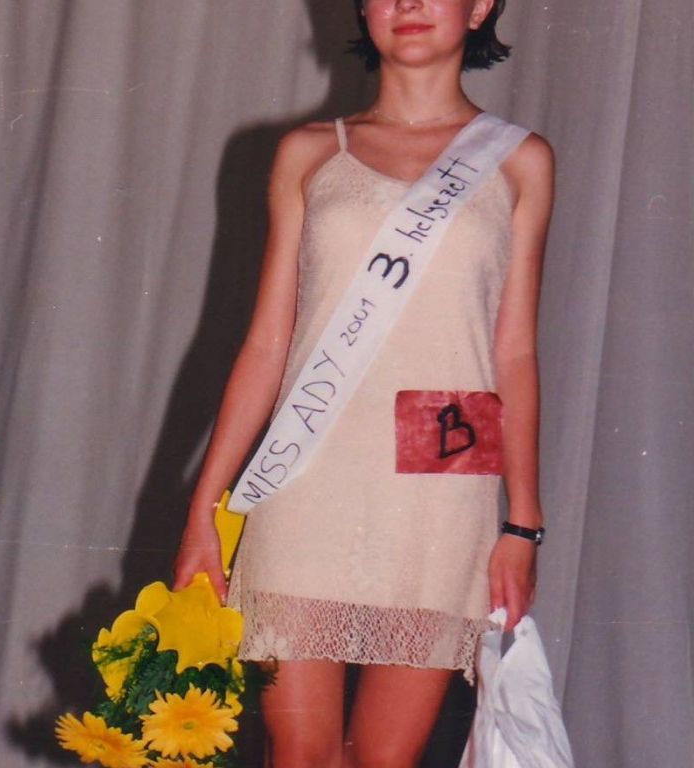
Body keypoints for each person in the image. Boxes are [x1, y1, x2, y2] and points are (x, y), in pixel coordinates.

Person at [173, 0, 554, 765]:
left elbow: (514, 352)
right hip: (307, 471)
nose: (407, 3)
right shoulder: (309, 152)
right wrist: (204, 507)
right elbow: (267, 342)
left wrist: (522, 524)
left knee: (386, 757)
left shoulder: (520, 160)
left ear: (480, 6)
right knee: (300, 750)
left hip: (442, 468)